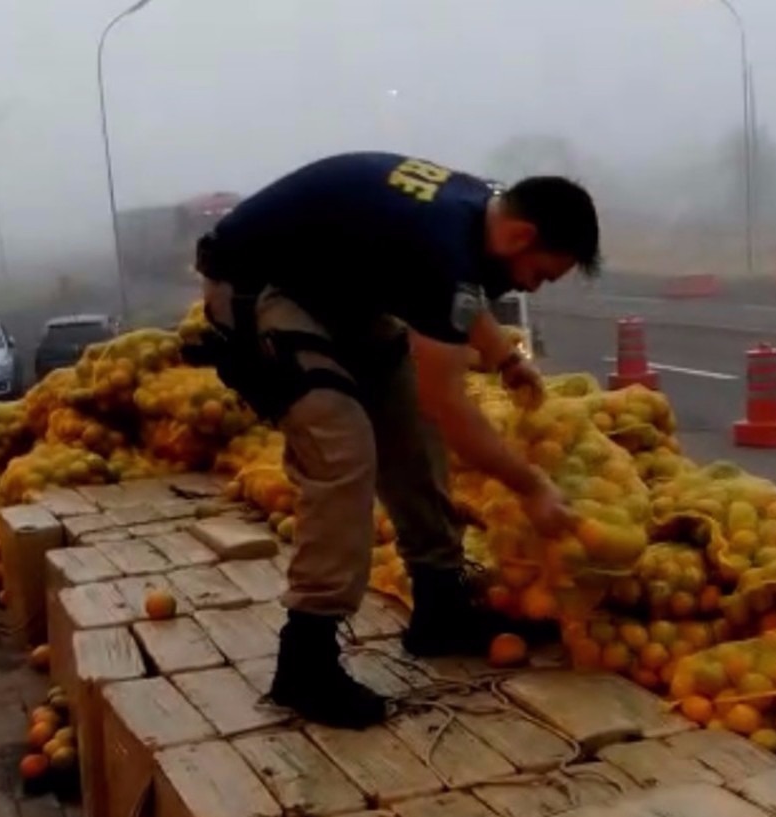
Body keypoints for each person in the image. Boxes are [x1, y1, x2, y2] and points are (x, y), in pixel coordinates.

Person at [189, 151, 601, 729]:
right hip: (263, 287)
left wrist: (503, 357)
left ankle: (440, 603)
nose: (531, 286)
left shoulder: (472, 214)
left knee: (410, 422)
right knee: (342, 446)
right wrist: (531, 486)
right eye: (539, 273)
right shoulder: (445, 240)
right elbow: (451, 401)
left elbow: (455, 301)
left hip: (338, 292)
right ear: (520, 235)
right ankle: (305, 658)